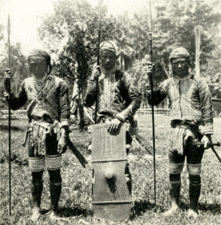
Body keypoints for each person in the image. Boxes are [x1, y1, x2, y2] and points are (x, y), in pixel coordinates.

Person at [146, 47, 213, 218]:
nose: (180, 65)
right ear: (171, 65)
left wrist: (207, 134)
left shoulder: (200, 83)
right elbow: (153, 100)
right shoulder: (167, 84)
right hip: (174, 132)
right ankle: (174, 206)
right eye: (176, 62)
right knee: (173, 172)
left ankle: (193, 208)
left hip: (194, 133)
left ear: (189, 62)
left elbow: (207, 109)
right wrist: (149, 78)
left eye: (183, 61)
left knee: (194, 173)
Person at [4, 50, 70, 221]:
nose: (36, 68)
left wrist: (64, 135)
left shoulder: (59, 83)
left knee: (54, 172)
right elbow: (16, 105)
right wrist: (7, 88)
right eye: (32, 65)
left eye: (40, 64)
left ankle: (54, 209)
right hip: (34, 132)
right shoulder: (27, 83)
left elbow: (64, 111)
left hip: (53, 132)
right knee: (36, 174)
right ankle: (36, 209)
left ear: (48, 65)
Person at [84, 40, 141, 193]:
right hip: (100, 127)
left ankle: (124, 202)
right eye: (104, 57)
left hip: (120, 126)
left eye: (110, 57)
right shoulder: (96, 78)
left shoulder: (124, 77)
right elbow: (87, 101)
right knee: (100, 166)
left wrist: (121, 117)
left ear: (116, 58)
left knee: (121, 165)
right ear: (99, 58)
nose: (107, 60)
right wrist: (92, 81)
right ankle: (102, 204)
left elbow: (136, 100)